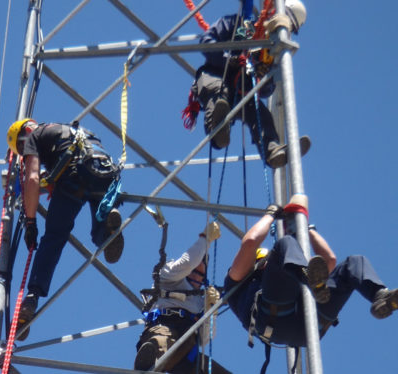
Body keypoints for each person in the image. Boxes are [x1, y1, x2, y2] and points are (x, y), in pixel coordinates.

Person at [224, 195, 398, 356]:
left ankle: (380, 296)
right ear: (256, 265)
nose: (268, 265)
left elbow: (329, 260)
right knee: (286, 243)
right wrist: (270, 215)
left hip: (306, 323)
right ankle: (306, 276)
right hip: (273, 320)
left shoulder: (288, 277)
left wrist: (304, 227)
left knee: (354, 263)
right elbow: (251, 241)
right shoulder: (237, 282)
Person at [6, 118, 124, 340]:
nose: (25, 152)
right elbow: (47, 177)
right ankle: (108, 227)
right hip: (104, 171)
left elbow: (32, 178)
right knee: (99, 232)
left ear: (23, 135)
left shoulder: (33, 136)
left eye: (22, 150)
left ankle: (32, 297)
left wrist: (30, 222)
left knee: (54, 237)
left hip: (73, 176)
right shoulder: (76, 131)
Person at [190, 0, 310, 169]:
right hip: (214, 75)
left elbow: (268, 90)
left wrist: (263, 77)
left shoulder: (270, 52)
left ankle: (272, 151)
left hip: (241, 92)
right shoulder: (239, 25)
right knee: (218, 91)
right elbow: (207, 41)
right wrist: (229, 60)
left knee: (262, 114)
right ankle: (218, 130)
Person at [134, 222, 231, 374]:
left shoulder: (200, 300)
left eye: (200, 275)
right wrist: (205, 239)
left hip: (186, 352)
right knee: (160, 343)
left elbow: (204, 339)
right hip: (163, 330)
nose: (195, 276)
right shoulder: (168, 276)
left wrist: (211, 311)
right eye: (193, 271)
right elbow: (187, 262)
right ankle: (149, 365)